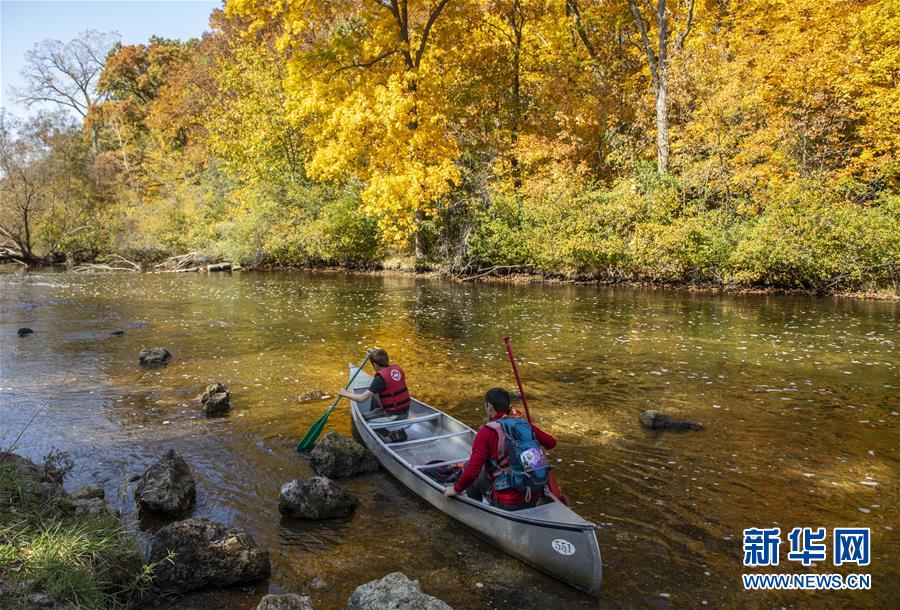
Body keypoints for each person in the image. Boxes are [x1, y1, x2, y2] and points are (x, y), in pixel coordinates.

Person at [443, 388, 556, 510]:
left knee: (468, 467)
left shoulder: (486, 432)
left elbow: (472, 471)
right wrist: (530, 431)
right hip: (533, 495)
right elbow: (551, 443)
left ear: (489, 407)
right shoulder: (523, 425)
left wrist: (456, 489)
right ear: (509, 406)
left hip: (507, 502)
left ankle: (475, 512)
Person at [338, 348, 411, 441]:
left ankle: (391, 435)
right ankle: (376, 414)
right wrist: (373, 353)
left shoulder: (380, 379)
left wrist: (345, 393)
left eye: (373, 365)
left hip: (393, 416)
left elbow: (362, 398)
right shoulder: (397, 369)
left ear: (375, 364)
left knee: (363, 419)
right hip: (406, 411)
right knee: (374, 394)